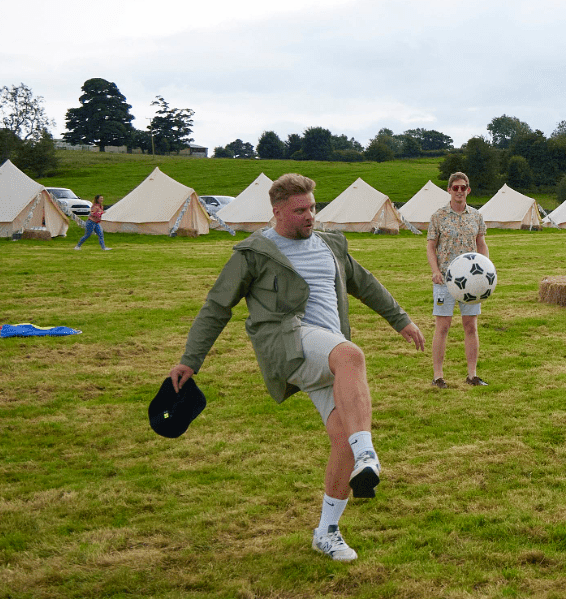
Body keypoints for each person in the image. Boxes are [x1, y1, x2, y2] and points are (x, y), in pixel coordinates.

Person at [168, 173, 425, 562]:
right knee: (351, 356)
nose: (310, 216)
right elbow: (217, 306)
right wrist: (191, 358)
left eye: (313, 208)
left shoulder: (329, 245)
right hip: (288, 344)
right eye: (300, 210)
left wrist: (401, 320)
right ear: (277, 212)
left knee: (343, 439)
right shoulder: (254, 253)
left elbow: (365, 284)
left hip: (324, 351)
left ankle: (327, 531)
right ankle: (369, 453)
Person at [426, 172, 490, 388]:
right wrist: (435, 271)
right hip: (445, 281)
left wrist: (485, 270)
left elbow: (481, 243)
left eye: (463, 187)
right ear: (449, 190)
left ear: (468, 190)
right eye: (456, 188)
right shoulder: (438, 216)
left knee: (470, 326)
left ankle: (472, 375)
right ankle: (438, 377)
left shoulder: (477, 216)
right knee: (442, 326)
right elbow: (430, 247)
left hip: (471, 283)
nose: (459, 191)